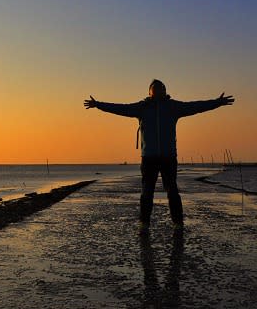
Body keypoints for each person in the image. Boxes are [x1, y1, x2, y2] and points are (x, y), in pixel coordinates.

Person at [84, 79, 234, 232]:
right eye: (155, 89)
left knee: (172, 191)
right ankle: (144, 223)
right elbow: (121, 108)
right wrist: (99, 105)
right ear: (150, 92)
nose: (157, 91)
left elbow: (196, 106)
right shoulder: (142, 107)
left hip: (168, 157)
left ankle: (178, 223)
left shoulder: (173, 107)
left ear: (164, 91)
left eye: (160, 88)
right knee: (147, 192)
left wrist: (217, 102)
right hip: (149, 158)